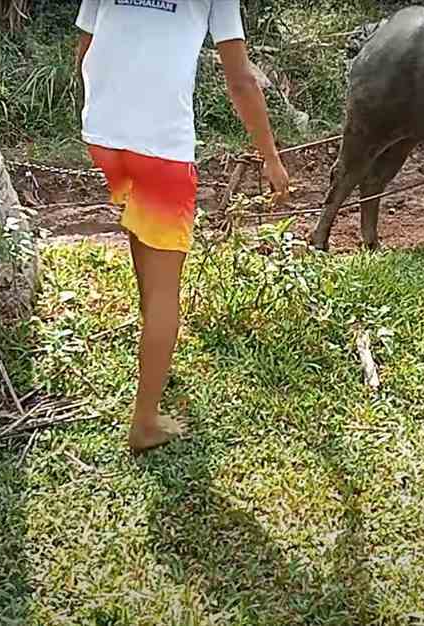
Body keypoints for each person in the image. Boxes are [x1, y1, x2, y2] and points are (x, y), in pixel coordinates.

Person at [74, 0, 290, 453]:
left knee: (144, 239)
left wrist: (110, 113)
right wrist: (270, 156)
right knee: (164, 287)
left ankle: (154, 361)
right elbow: (241, 79)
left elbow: (85, 48)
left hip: (104, 133)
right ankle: (146, 423)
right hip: (160, 144)